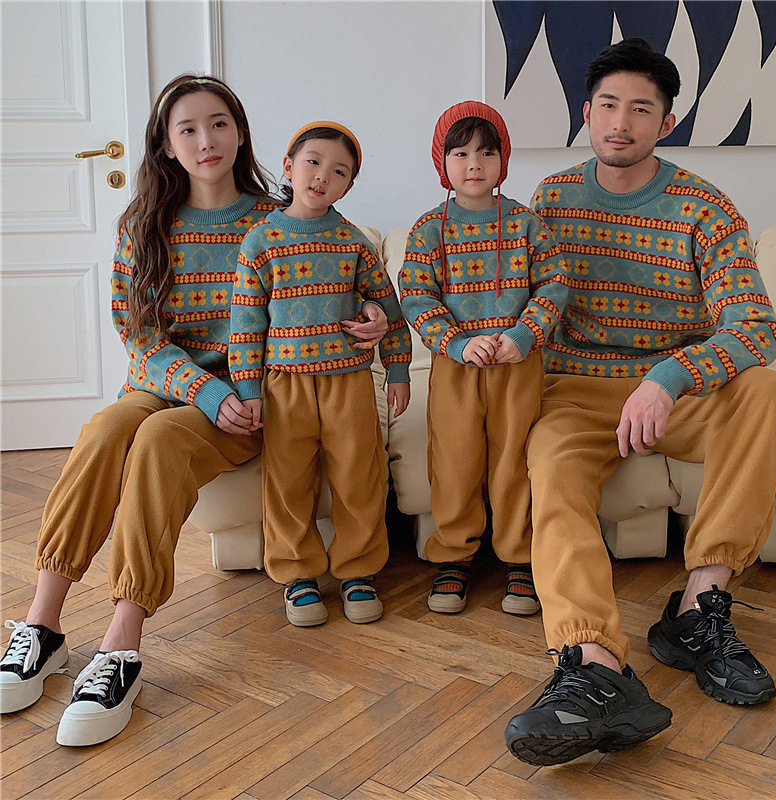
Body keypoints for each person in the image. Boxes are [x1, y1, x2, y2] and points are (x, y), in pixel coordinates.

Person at [0, 77, 388, 747]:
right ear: (166, 144)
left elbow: (336, 289)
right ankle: (43, 624)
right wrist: (203, 389)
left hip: (249, 398)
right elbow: (139, 336)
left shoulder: (278, 220)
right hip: (170, 385)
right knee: (108, 428)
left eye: (218, 124)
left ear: (240, 133)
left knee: (157, 441)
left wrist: (376, 317)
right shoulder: (143, 225)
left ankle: (121, 646)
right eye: (188, 128)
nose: (206, 140)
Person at [505, 38, 776, 766]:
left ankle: (698, 610)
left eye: (641, 109)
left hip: (676, 390)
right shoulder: (550, 201)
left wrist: (669, 377)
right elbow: (513, 301)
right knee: (550, 464)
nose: (621, 121)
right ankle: (594, 665)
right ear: (586, 112)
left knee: (767, 390)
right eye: (608, 105)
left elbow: (756, 327)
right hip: (576, 391)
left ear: (665, 124)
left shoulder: (704, 206)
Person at [229, 121, 411, 627]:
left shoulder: (352, 241)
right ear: (289, 166)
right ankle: (297, 573)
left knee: (359, 476)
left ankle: (358, 570)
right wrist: (248, 389)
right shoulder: (260, 242)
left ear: (348, 186)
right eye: (313, 162)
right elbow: (245, 323)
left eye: (339, 172)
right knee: (288, 480)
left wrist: (398, 369)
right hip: (283, 385)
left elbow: (388, 308)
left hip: (348, 381)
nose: (322, 176)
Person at [399, 101, 568, 616]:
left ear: (503, 160)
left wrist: (524, 334)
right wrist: (455, 341)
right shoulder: (429, 229)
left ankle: (520, 556)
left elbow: (554, 285)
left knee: (515, 459)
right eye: (461, 153)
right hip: (456, 369)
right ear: (442, 161)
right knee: (455, 461)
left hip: (518, 366)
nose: (474, 163)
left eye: (487, 152)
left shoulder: (526, 224)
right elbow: (416, 296)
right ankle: (455, 554)